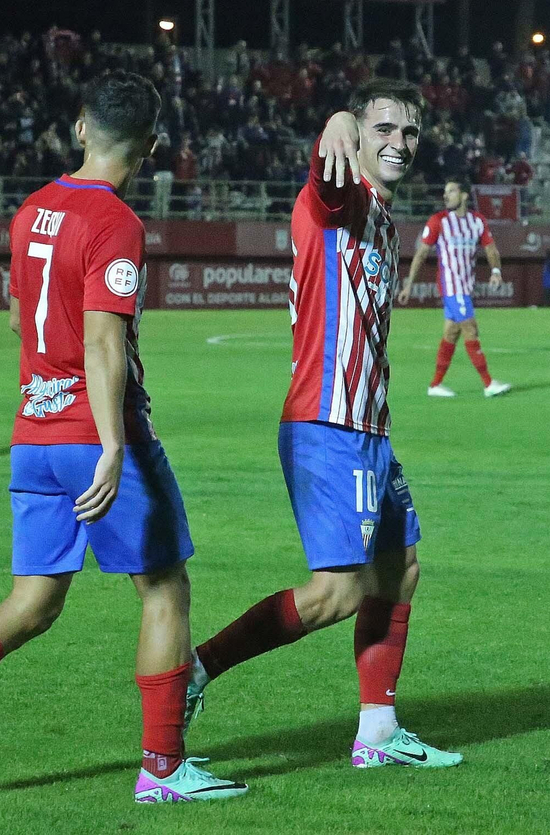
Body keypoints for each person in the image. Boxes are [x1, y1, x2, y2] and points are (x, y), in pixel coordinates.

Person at [0, 72, 245, 806]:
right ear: (151, 146)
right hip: (95, 434)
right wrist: (113, 445)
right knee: (164, 587)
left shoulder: (33, 208)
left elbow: (20, 318)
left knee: (32, 603)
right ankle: (163, 769)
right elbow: (103, 343)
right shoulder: (116, 223)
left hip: (33, 433)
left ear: (80, 127)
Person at [183, 78, 462, 772]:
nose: (400, 143)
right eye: (384, 129)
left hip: (367, 428)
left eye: (410, 132)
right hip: (328, 423)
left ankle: (378, 731)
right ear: (359, 136)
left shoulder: (383, 218)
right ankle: (197, 668)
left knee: (400, 567)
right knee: (337, 593)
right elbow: (326, 179)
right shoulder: (341, 200)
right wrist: (337, 119)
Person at [397, 178, 511, 399]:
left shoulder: (477, 221)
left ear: (464, 195)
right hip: (451, 287)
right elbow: (421, 253)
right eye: (445, 191)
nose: (445, 195)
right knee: (471, 328)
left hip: (466, 287)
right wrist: (409, 284)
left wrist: (496, 271)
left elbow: (491, 249)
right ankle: (489, 383)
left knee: (451, 333)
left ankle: (435, 385)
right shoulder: (438, 221)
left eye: (451, 191)